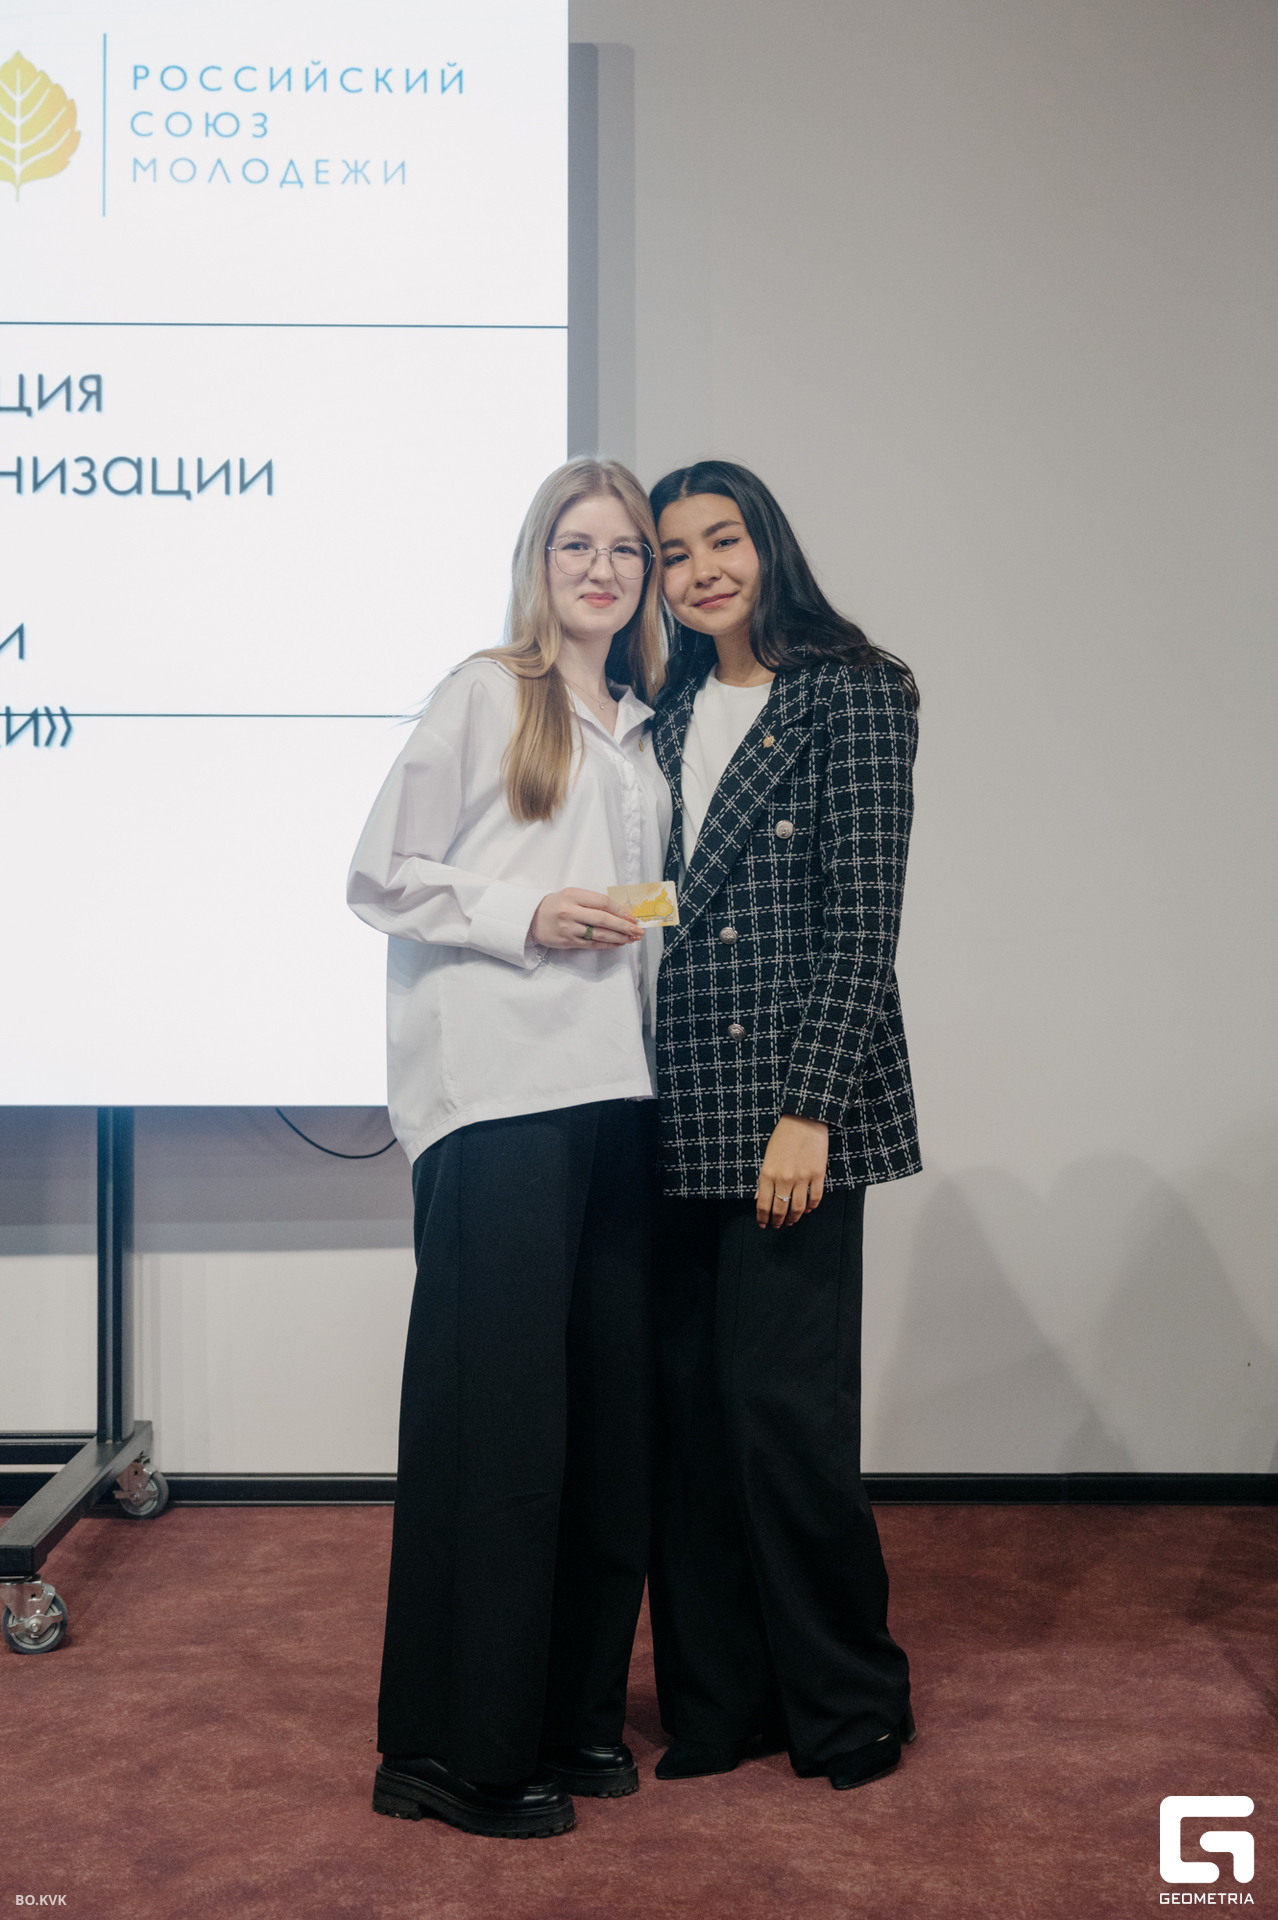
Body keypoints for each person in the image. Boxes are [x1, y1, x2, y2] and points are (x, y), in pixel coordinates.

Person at [347, 458, 670, 1839]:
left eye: (626, 551)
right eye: (577, 545)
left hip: (617, 1101)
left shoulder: (643, 727)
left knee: (602, 1430)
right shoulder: (486, 693)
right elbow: (378, 875)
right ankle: (449, 1749)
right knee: (499, 1432)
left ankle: (567, 1714)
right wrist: (524, 914)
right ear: (539, 562)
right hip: (496, 1101)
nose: (603, 570)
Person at [645, 459, 920, 1793]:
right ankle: (720, 1703)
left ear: (768, 544)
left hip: (794, 1107)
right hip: (666, 1103)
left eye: (723, 540)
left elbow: (863, 921)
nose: (700, 570)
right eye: (674, 551)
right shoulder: (661, 709)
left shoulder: (856, 689)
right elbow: (665, 899)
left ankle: (847, 1699)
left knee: (784, 1418)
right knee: (690, 1419)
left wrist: (809, 1110)